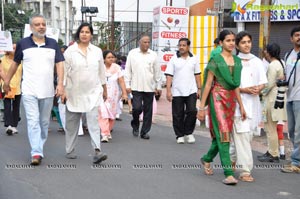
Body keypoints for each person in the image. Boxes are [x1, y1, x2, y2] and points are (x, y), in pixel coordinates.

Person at [3, 14, 65, 165]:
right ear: (31, 27)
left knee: (44, 123)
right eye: (37, 24)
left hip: (47, 91)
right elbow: (15, 64)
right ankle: (36, 152)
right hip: (29, 90)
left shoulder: (52, 44)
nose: (41, 26)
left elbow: (60, 64)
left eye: (43, 24)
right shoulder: (23, 43)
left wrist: (60, 84)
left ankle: (39, 147)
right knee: (32, 122)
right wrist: (6, 81)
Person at [197, 30, 246, 185]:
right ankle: (229, 173)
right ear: (221, 43)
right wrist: (201, 107)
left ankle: (206, 159)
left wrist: (241, 105)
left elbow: (235, 85)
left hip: (231, 101)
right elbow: (207, 85)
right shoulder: (216, 60)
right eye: (228, 40)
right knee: (224, 134)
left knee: (222, 135)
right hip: (217, 98)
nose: (231, 43)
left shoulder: (237, 61)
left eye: (233, 40)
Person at [63, 22, 108, 164]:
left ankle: (97, 150)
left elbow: (101, 72)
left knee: (93, 122)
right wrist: (63, 90)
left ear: (91, 35)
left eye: (87, 32)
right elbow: (64, 72)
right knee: (72, 124)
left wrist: (104, 89)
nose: (84, 34)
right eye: (82, 32)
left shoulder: (97, 51)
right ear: (78, 34)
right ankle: (70, 149)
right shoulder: (70, 51)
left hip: (92, 92)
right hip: (73, 92)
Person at [229, 31, 267, 182]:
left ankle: (230, 158)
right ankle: (245, 170)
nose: (247, 45)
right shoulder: (233, 61)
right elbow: (231, 84)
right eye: (243, 42)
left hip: (254, 104)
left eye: (248, 42)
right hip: (239, 105)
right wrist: (244, 90)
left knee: (246, 136)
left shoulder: (257, 61)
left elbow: (263, 81)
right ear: (237, 45)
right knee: (242, 136)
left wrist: (260, 88)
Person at [124, 34, 162, 140]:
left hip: (149, 87)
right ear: (139, 42)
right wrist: (127, 84)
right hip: (136, 86)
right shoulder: (132, 53)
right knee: (136, 108)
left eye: (148, 42)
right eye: (144, 42)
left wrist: (158, 86)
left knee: (148, 110)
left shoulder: (153, 55)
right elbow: (128, 70)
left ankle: (144, 131)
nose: (147, 44)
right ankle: (135, 123)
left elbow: (157, 72)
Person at [165, 38, 201, 144]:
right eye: (180, 45)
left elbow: (197, 74)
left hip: (191, 90)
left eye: (184, 45)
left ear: (188, 47)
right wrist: (168, 91)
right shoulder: (173, 59)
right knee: (177, 114)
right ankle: (179, 135)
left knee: (192, 111)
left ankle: (189, 132)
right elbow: (169, 76)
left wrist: (199, 89)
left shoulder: (194, 58)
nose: (181, 47)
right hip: (177, 91)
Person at [258, 43, 287, 163]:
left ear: (269, 52)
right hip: (279, 97)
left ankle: (273, 154)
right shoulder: (281, 63)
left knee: (270, 128)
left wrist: (260, 93)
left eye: (266, 50)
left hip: (271, 99)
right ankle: (271, 151)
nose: (265, 52)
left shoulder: (272, 65)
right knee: (273, 127)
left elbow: (269, 84)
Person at [281, 26, 300, 173]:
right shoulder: (288, 55)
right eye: (297, 35)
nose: (299, 37)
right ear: (291, 38)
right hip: (291, 97)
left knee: (299, 131)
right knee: (292, 130)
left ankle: (296, 161)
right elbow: (286, 76)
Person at [99, 50, 127, 142]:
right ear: (104, 59)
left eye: (112, 57)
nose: (111, 59)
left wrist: (124, 93)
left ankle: (107, 131)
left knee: (112, 114)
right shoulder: (100, 68)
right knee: (103, 113)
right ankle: (105, 133)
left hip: (114, 95)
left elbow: (121, 81)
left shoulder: (117, 68)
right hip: (101, 94)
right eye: (109, 57)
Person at [0, 44, 22, 136]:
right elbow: (0, 71)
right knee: (7, 106)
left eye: (15, 48)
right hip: (6, 86)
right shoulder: (2, 59)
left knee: (16, 106)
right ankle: (9, 125)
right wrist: (6, 82)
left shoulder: (20, 60)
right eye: (12, 48)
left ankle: (14, 125)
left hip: (17, 86)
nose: (14, 50)